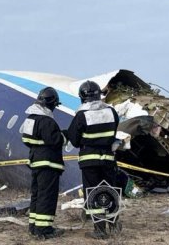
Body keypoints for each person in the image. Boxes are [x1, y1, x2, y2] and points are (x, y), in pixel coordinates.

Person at [66, 80, 121, 239]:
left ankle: (100, 230)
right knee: (110, 191)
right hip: (108, 159)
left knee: (94, 193)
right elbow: (113, 133)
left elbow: (74, 140)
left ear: (82, 97)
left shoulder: (81, 115)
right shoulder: (111, 112)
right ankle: (114, 224)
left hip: (90, 161)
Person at [20, 87, 65, 240]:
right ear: (52, 104)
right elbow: (55, 141)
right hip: (48, 164)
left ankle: (33, 226)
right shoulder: (47, 121)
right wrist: (64, 136)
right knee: (47, 196)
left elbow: (26, 140)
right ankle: (44, 229)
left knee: (37, 195)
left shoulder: (30, 119)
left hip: (35, 162)